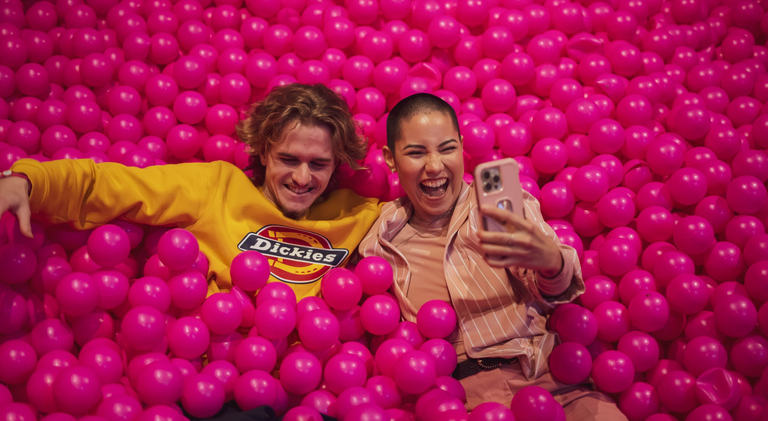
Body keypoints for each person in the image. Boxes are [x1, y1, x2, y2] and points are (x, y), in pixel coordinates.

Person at [358, 93, 627, 419]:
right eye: (416, 153)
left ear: (461, 147)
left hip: (551, 379)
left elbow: (557, 288)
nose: (434, 166)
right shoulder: (381, 238)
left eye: (447, 149)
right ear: (390, 159)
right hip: (457, 400)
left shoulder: (498, 204)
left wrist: (551, 262)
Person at [0, 83, 380, 298]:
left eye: (318, 164)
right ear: (264, 151)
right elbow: (116, 184)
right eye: (288, 159)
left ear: (337, 165)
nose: (301, 177)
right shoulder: (218, 186)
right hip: (222, 374)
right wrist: (28, 181)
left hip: (317, 382)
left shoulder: (360, 214)